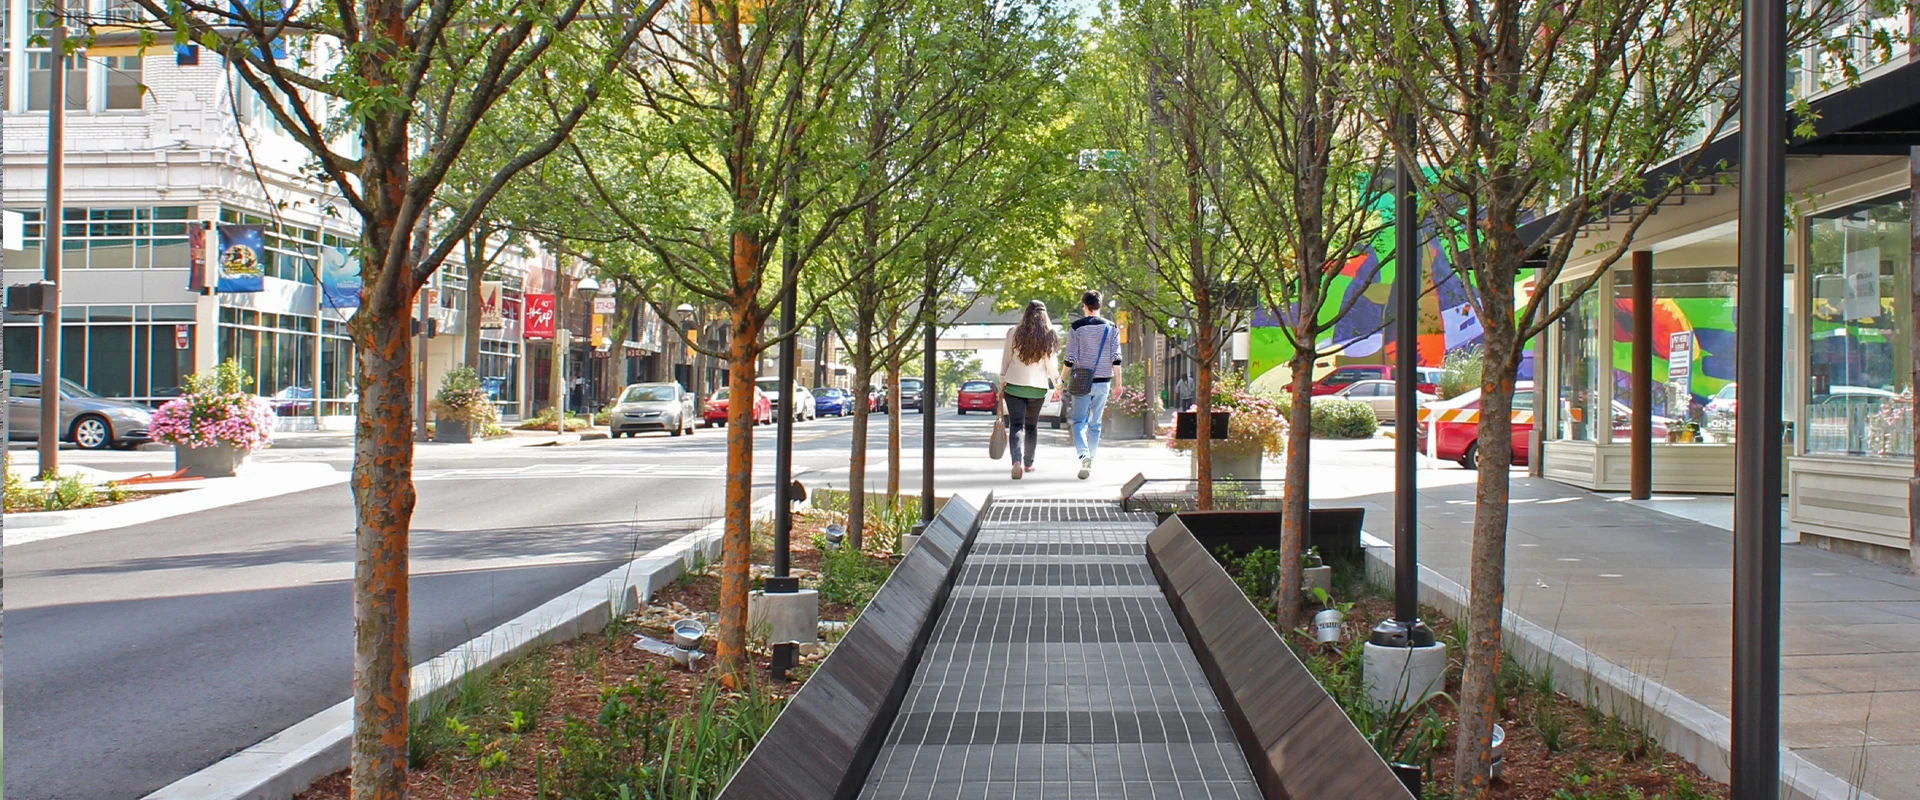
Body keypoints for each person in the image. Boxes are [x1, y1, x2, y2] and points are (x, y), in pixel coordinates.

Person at [998, 300, 1062, 480]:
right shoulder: (1049, 335)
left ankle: (1016, 462)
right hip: (1037, 389)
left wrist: (1002, 383)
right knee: (1032, 426)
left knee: (1016, 425)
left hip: (1014, 386)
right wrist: (1058, 384)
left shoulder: (1013, 333)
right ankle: (1028, 463)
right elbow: (1051, 365)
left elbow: (1006, 360)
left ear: (1026, 313)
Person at [1063, 290, 1122, 480]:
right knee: (1095, 423)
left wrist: (1061, 379)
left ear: (1084, 305)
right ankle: (1090, 462)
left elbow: (1070, 358)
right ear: (1100, 305)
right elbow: (1116, 358)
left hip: (1082, 381)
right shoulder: (1111, 327)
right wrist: (1118, 383)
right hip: (1104, 382)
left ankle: (1084, 456)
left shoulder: (1076, 327)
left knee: (1079, 422)